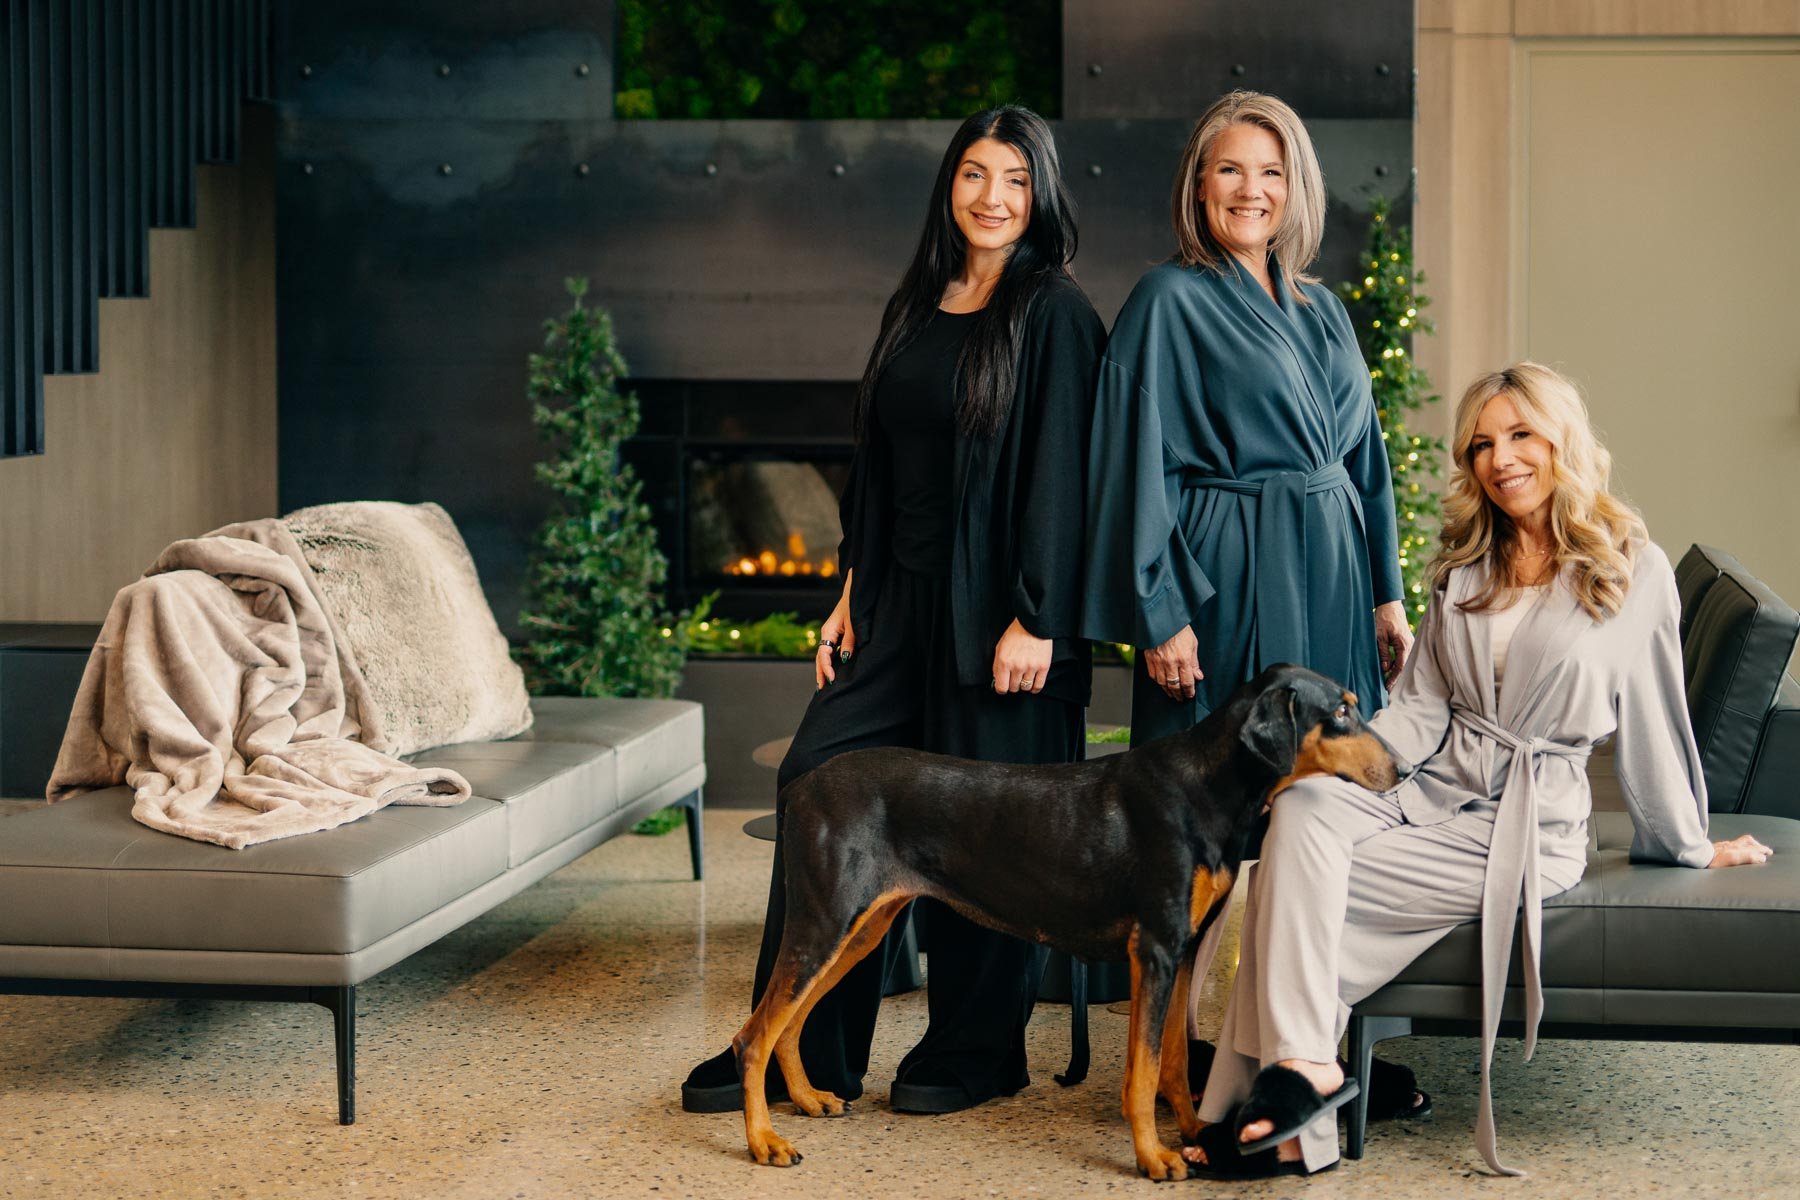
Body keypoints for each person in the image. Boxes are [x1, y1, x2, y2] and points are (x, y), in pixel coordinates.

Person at [1179, 362, 1774, 1181]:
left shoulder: (1632, 570)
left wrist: (1690, 843)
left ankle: (1278, 1123)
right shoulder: (1465, 565)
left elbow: (1655, 725)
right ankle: (1309, 1073)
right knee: (1305, 811)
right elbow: (1420, 709)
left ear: (1564, 439)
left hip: (1527, 826)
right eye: (1484, 444)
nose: (1502, 459)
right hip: (1431, 785)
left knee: (1289, 890)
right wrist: (1352, 771)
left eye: (1521, 435)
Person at [680, 105, 1106, 1117]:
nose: (991, 197)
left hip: (1001, 621)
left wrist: (1037, 617)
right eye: (973, 174)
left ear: (1041, 193)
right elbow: (876, 464)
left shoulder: (1056, 314)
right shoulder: (918, 301)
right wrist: (847, 589)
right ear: (947, 187)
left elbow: (1069, 479)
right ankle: (799, 1048)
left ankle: (975, 1050)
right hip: (897, 604)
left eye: (1013, 177)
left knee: (986, 833)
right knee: (815, 782)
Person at [1078, 88, 1423, 1116]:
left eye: (1270, 172)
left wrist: (1388, 594)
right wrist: (1160, 607)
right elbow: (1130, 462)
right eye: (1229, 168)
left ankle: (1319, 1052)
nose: (1251, 189)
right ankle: (1195, 1071)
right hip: (1222, 580)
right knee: (1209, 829)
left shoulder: (1324, 310)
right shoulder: (1167, 301)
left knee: (1325, 818)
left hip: (1327, 575)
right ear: (1199, 184)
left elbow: (1367, 464)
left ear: (1296, 189)